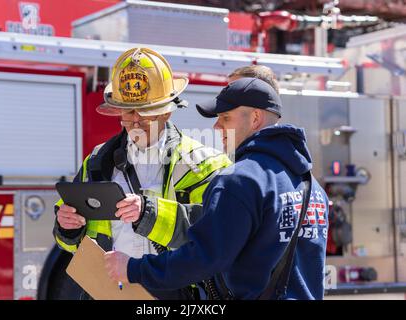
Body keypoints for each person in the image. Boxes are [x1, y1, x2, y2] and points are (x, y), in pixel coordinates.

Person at [104, 75, 329, 300]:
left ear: (255, 118)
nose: (216, 125)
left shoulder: (239, 180)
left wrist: (133, 269)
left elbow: (203, 259)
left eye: (225, 117)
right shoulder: (311, 185)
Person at [53, 47, 231, 300]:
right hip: (109, 293)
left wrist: (150, 213)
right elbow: (71, 242)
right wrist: (66, 227)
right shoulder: (97, 162)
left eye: (145, 111)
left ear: (168, 110)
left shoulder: (205, 165)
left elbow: (218, 237)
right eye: (127, 111)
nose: (135, 120)